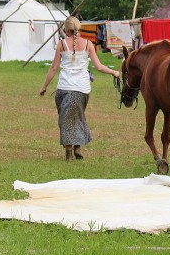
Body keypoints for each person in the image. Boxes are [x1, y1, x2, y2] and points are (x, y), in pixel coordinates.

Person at [39, 16, 120, 161]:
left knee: (66, 119)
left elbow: (53, 68)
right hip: (82, 89)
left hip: (65, 88)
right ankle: (77, 147)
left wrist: (44, 86)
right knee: (77, 116)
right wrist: (113, 72)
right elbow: (99, 66)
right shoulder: (89, 44)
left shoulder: (62, 44)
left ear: (66, 29)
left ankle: (69, 151)